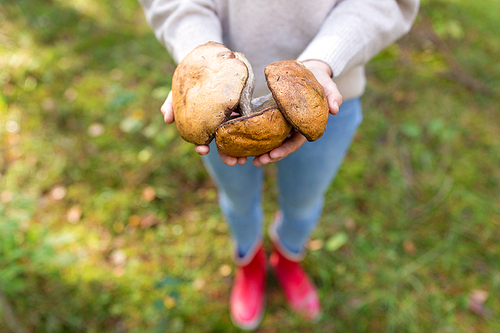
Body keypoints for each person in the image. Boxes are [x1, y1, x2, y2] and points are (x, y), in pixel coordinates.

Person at [138, 0, 419, 330]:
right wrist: (199, 55)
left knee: (303, 202)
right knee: (237, 201)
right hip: (210, 106)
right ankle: (249, 260)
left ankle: (287, 256)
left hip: (323, 92)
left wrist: (322, 61)